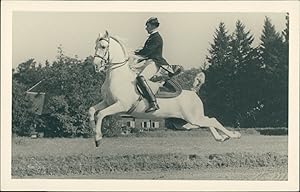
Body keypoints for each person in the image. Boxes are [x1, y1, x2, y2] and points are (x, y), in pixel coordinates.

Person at [134, 17, 172, 113]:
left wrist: (137, 52)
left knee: (140, 77)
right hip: (150, 61)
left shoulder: (156, 38)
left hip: (156, 62)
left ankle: (153, 103)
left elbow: (147, 52)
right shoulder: (152, 37)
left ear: (153, 26)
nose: (146, 28)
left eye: (147, 26)